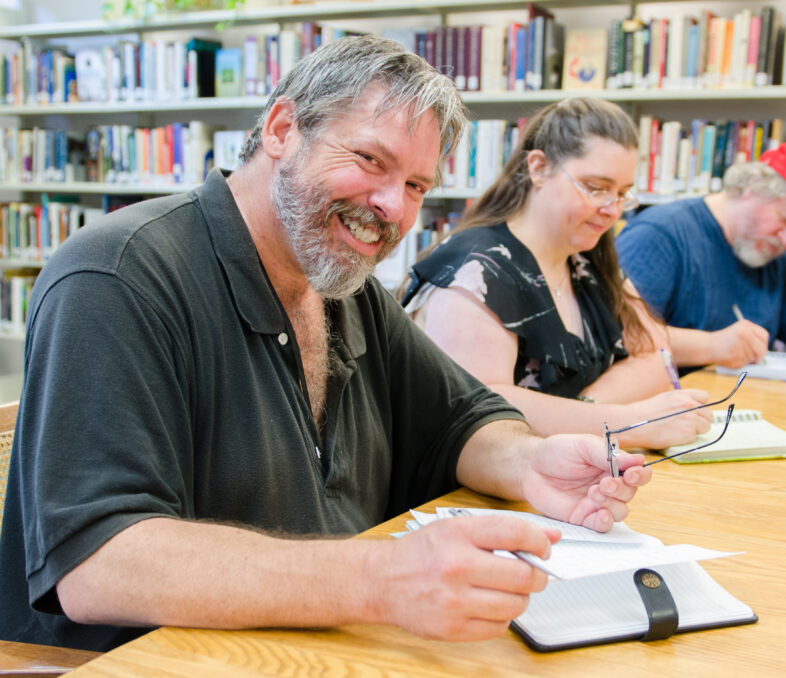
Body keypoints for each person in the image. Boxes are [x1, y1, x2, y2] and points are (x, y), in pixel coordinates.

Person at [0, 36, 652, 653]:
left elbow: (460, 419)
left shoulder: (342, 287)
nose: (394, 207)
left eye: (418, 186)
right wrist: (380, 578)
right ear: (283, 130)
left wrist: (529, 465)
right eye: (371, 160)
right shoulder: (118, 277)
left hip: (322, 649)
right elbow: (98, 562)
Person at [401, 98, 713, 452]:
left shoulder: (586, 259)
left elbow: (657, 356)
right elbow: (481, 409)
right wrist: (627, 422)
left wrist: (584, 413)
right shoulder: (475, 269)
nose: (612, 210)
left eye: (622, 193)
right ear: (539, 168)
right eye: (595, 187)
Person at [616, 140, 786, 379]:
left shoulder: (773, 253)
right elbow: (620, 333)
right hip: (668, 408)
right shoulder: (660, 235)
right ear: (752, 188)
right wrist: (711, 347)